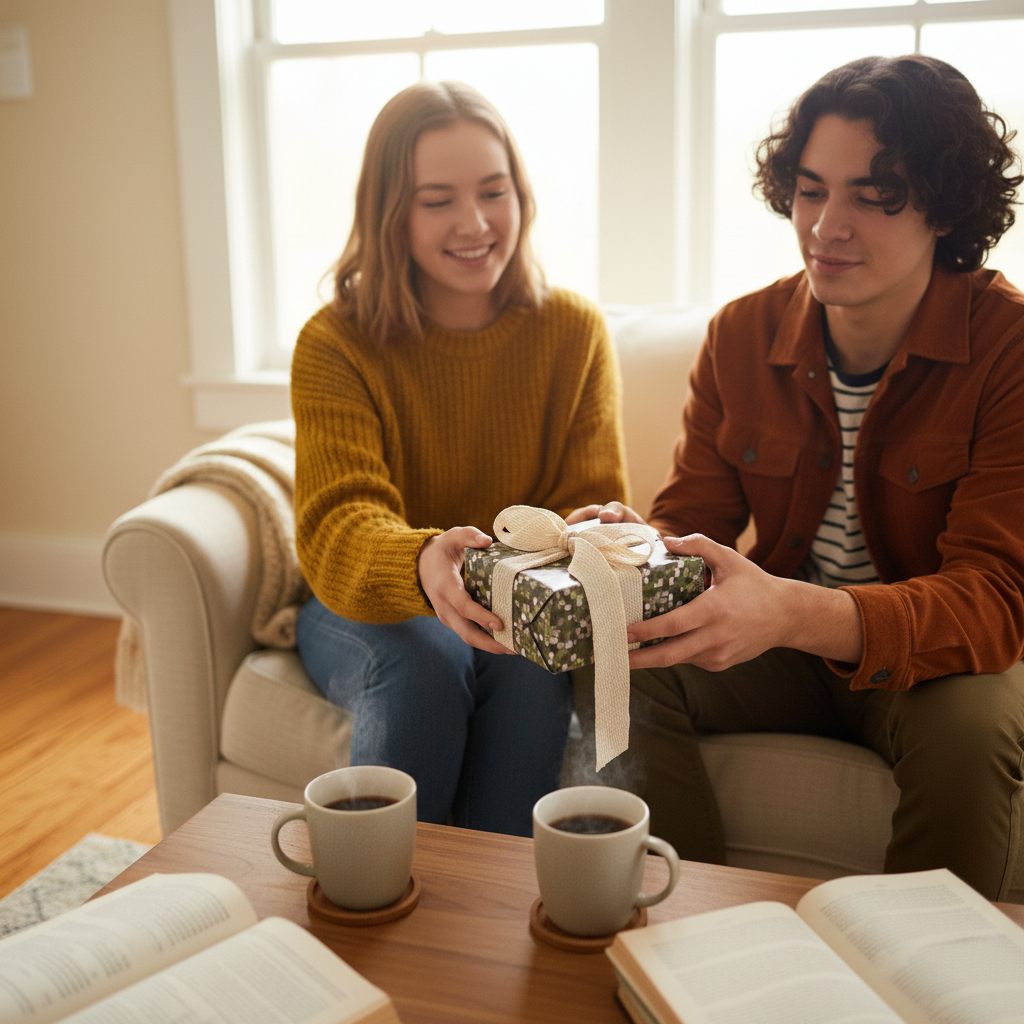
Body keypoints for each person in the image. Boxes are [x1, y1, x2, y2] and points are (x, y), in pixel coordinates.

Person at [572, 54, 1024, 900]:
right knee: (620, 650)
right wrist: (633, 544)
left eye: (874, 195)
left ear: (944, 205)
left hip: (938, 662)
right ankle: (687, 929)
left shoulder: (1010, 349)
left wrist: (794, 611)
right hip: (780, 642)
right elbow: (690, 523)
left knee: (972, 728)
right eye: (812, 190)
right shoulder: (742, 334)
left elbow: (994, 599)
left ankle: (926, 973)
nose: (827, 225)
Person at [290, 81, 628, 838]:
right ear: (391, 214)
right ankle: (370, 905)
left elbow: (590, 497)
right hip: (366, 600)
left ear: (522, 197)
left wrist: (601, 532)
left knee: (534, 667)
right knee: (425, 665)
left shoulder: (573, 332)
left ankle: (497, 919)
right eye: (436, 200)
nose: (474, 224)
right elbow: (339, 522)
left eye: (493, 192)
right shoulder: (335, 342)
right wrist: (424, 564)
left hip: (518, 595)